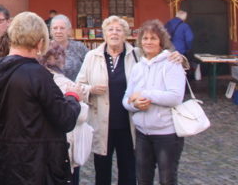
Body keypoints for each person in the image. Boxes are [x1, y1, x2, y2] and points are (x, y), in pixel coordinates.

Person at [76, 16, 185, 185]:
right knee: (102, 170)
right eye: (110, 30)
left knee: (129, 171)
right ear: (104, 33)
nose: (114, 33)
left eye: (118, 30)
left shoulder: (137, 54)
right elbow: (79, 86)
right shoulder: (92, 56)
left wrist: (180, 58)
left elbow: (160, 55)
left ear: (125, 34)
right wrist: (90, 89)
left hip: (129, 123)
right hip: (102, 122)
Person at [0, 12, 81, 185]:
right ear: (40, 43)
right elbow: (65, 118)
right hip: (34, 163)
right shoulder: (38, 74)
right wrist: (73, 97)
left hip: (1, 158)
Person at [123, 20, 186, 185]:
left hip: (166, 133)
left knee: (167, 179)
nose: (148, 42)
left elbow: (175, 97)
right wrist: (135, 105)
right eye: (145, 38)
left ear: (161, 41)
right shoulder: (138, 67)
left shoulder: (171, 63)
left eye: (153, 38)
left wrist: (145, 94)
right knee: (143, 179)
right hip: (143, 133)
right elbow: (127, 98)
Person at [41, 41, 92, 185]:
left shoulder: (38, 78)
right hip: (64, 144)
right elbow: (79, 116)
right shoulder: (65, 83)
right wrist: (77, 99)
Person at [50, 14, 89, 81]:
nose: (58, 31)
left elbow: (91, 66)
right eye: (55, 28)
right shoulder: (45, 49)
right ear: (51, 31)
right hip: (52, 90)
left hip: (77, 89)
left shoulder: (78, 47)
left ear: (69, 30)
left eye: (62, 28)